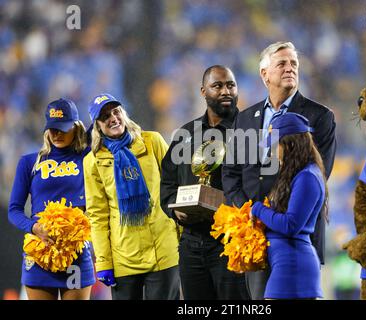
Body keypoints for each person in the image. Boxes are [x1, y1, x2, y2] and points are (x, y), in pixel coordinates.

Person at [222, 41, 336, 299]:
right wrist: (247, 214)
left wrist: (266, 213)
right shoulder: (244, 118)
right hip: (253, 236)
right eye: (282, 63)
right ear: (264, 74)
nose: (290, 68)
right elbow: (230, 174)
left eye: (294, 63)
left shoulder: (320, 116)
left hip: (292, 239)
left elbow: (319, 174)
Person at [160, 65, 249, 300]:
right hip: (191, 243)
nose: (225, 91)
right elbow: (167, 183)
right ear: (203, 91)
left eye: (230, 85)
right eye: (217, 86)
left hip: (232, 241)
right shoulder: (185, 134)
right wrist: (175, 210)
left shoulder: (250, 131)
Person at [83, 93, 180, 300]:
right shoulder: (92, 161)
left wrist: (184, 238)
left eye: (116, 111)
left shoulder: (153, 141)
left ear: (124, 114)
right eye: (105, 116)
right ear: (98, 126)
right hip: (124, 257)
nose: (113, 118)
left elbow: (176, 189)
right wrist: (103, 262)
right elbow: (97, 215)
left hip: (163, 250)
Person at [8, 98, 95, 300]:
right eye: (52, 128)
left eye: (63, 128)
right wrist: (34, 227)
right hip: (40, 252)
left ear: (76, 127)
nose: (56, 134)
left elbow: (101, 122)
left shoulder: (86, 157)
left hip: (76, 253)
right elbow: (14, 210)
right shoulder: (29, 162)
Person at [250, 112, 326, 299]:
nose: (274, 153)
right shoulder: (300, 174)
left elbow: (290, 225)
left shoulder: (307, 177)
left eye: (276, 146)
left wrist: (258, 209)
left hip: (292, 270)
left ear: (291, 144)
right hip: (286, 266)